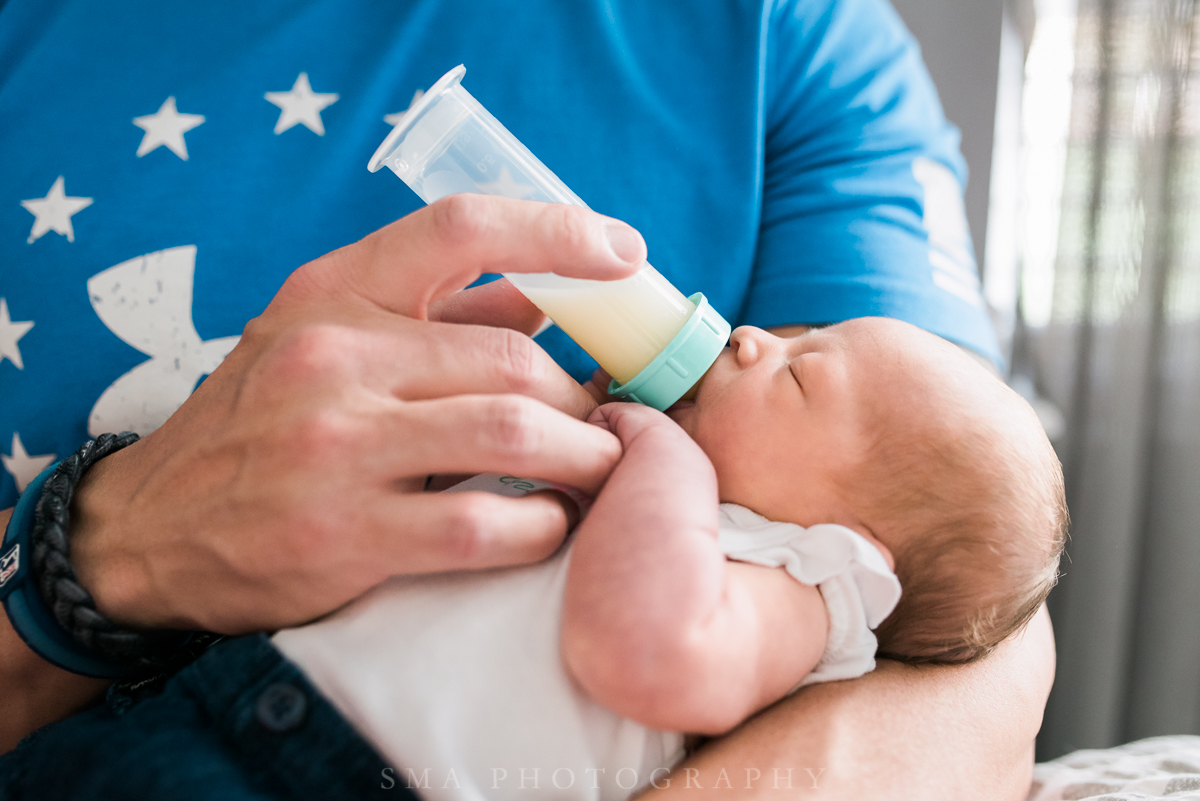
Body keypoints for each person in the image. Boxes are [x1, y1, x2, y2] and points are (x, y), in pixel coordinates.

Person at [0, 0, 1055, 798]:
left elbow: (974, 632)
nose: (749, 341)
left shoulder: (790, 36)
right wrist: (103, 552)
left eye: (799, 364)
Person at [268, 317, 1066, 800]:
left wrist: (664, 459)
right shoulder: (656, 488)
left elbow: (652, 660)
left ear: (856, 547)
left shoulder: (799, 586)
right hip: (243, 689)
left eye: (800, 375)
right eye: (794, 337)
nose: (753, 339)